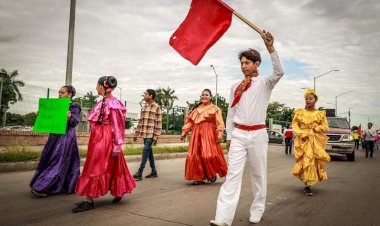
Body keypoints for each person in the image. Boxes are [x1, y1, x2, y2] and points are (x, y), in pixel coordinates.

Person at [210, 31, 284, 226]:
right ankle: (222, 218)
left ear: (256, 64)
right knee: (232, 175)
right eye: (241, 63)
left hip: (258, 133)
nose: (243, 66)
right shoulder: (235, 86)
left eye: (247, 63)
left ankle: (258, 209)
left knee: (258, 173)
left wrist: (270, 48)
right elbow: (231, 112)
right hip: (239, 134)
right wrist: (229, 135)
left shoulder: (266, 82)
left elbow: (280, 72)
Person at [73, 76, 136, 213]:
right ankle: (119, 191)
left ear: (101, 86)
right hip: (98, 138)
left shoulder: (114, 104)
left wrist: (117, 146)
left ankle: (88, 200)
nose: (95, 87)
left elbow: (119, 126)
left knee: (94, 167)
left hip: (106, 140)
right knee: (114, 166)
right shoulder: (102, 102)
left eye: (97, 84)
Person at [30, 85, 81, 197]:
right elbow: (50, 120)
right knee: (49, 158)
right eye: (59, 92)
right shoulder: (55, 105)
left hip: (66, 137)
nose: (59, 94)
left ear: (69, 94)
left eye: (62, 93)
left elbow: (74, 123)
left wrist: (69, 117)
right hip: (54, 136)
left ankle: (43, 187)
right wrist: (41, 115)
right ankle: (62, 186)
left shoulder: (74, 106)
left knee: (57, 160)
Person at [181, 89, 227, 185]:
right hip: (196, 135)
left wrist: (219, 134)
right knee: (195, 155)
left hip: (209, 134)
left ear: (210, 97)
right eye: (202, 95)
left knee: (208, 155)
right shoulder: (196, 110)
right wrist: (184, 132)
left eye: (206, 95)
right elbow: (190, 122)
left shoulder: (215, 109)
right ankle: (198, 177)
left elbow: (219, 122)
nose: (204, 96)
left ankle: (211, 173)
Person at [291, 88, 330, 196]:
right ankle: (306, 183)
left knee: (311, 161)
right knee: (304, 161)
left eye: (310, 98)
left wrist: (314, 130)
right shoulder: (300, 112)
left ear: (315, 100)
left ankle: (307, 186)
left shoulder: (320, 113)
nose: (308, 100)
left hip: (314, 140)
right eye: (306, 99)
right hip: (302, 139)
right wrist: (301, 133)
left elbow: (325, 126)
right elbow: (294, 125)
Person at [133, 89, 162, 181]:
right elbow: (140, 122)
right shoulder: (143, 107)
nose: (144, 95)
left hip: (151, 134)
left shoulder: (157, 107)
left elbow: (158, 123)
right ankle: (154, 171)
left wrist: (156, 136)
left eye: (145, 94)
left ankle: (139, 172)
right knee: (149, 153)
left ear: (151, 96)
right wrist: (136, 134)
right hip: (144, 134)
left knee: (145, 152)